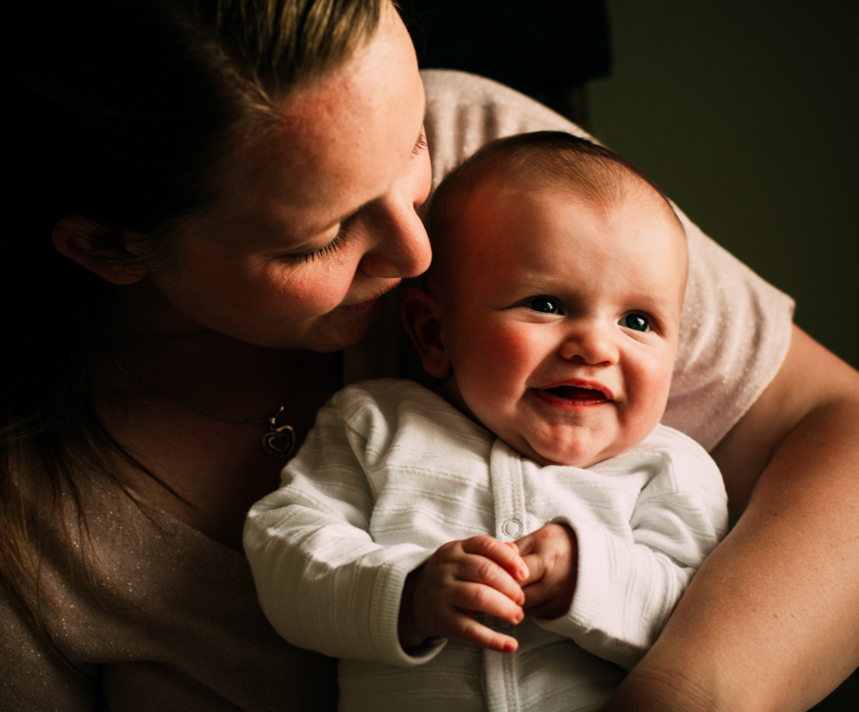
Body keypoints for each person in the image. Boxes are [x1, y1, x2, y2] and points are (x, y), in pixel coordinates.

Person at [0, 0, 859, 710]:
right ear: (111, 246)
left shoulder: (489, 167)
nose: (424, 251)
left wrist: (689, 693)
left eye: (408, 143)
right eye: (318, 239)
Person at [245, 131, 731, 711]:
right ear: (433, 333)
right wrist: (407, 593)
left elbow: (705, 624)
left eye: (638, 320)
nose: (596, 346)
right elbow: (287, 551)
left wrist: (591, 576)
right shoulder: (375, 426)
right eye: (546, 304)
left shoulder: (669, 469)